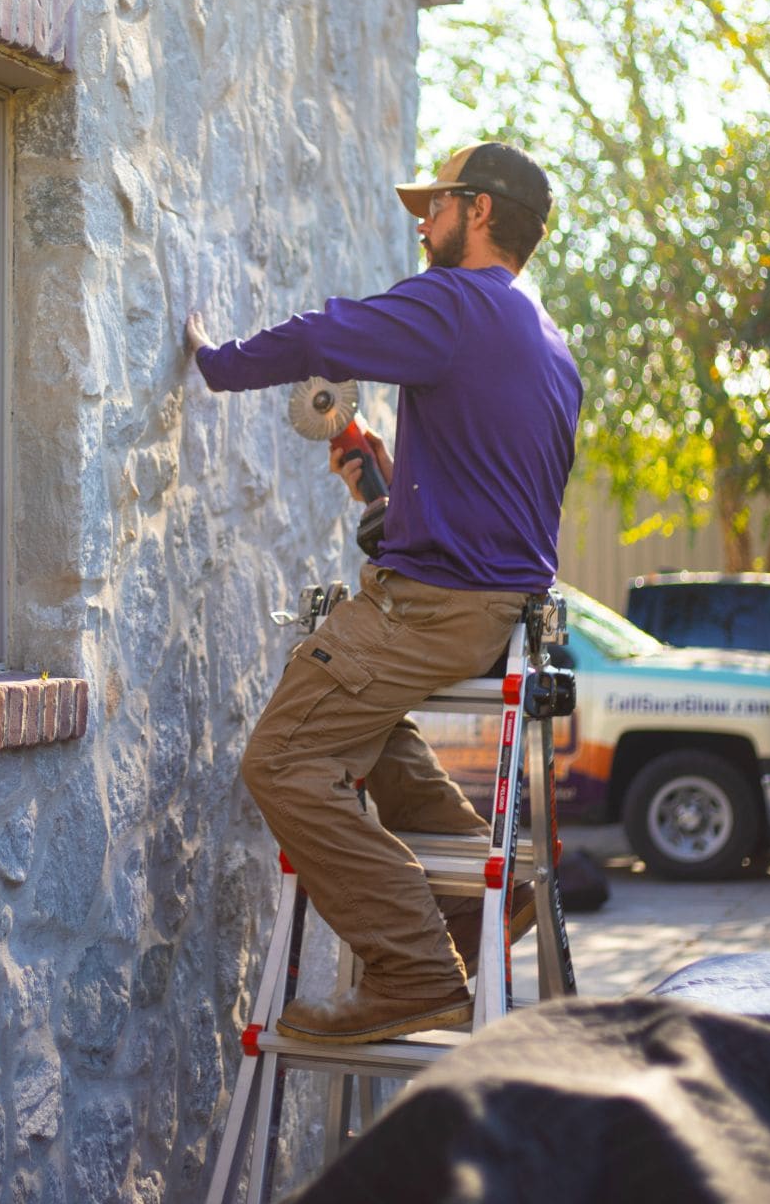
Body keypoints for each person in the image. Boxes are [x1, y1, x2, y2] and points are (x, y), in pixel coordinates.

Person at [184, 142, 582, 1045]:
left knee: (282, 761)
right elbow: (489, 495)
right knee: (366, 729)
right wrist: (379, 479)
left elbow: (324, 334)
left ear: (478, 211)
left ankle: (412, 972)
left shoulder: (456, 301)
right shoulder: (543, 338)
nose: (420, 220)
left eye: (434, 203)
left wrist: (217, 363)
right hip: (491, 613)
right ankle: (492, 905)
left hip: (431, 606)